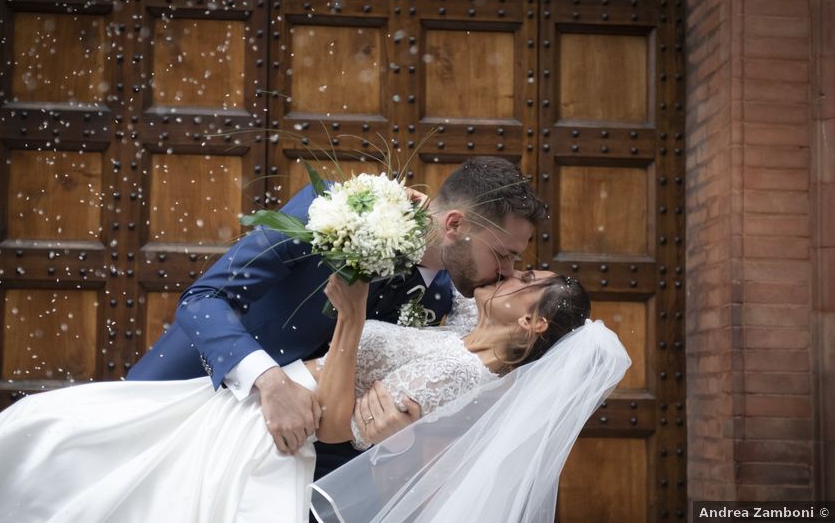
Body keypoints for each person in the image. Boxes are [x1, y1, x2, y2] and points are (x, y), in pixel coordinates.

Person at [0, 270, 610, 523]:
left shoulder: (465, 373)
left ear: (534, 322)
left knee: (91, 460)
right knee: (59, 428)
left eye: (526, 283)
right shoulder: (463, 330)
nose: (511, 277)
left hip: (279, 431)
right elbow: (452, 282)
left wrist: (354, 321)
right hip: (254, 402)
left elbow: (342, 429)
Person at [127, 156, 548, 478]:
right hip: (185, 400)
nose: (508, 271)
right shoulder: (328, 212)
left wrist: (390, 435)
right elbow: (203, 300)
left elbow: (358, 405)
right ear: (455, 224)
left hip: (275, 462)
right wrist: (269, 381)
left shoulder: (440, 300)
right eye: (503, 254)